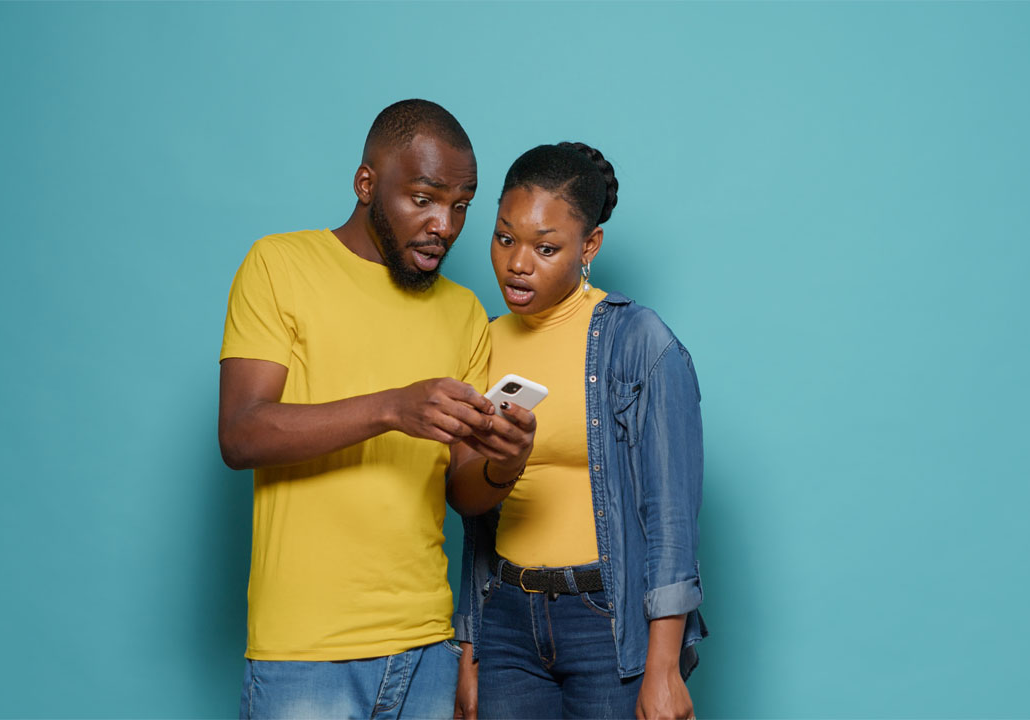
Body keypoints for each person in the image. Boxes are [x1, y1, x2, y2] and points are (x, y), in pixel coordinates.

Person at [218, 99, 535, 719]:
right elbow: (241, 432)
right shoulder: (279, 266)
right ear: (367, 184)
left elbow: (463, 491)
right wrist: (392, 408)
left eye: (461, 205)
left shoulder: (465, 312)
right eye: (424, 198)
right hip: (305, 651)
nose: (444, 223)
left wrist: (505, 463)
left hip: (426, 649)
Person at [450, 143, 706, 720]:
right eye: (504, 237)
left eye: (546, 248)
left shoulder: (639, 342)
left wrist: (663, 668)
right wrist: (470, 644)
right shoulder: (481, 340)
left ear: (589, 246)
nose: (518, 263)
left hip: (605, 620)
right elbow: (473, 517)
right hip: (506, 622)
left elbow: (669, 515)